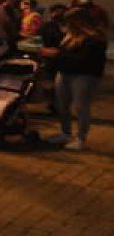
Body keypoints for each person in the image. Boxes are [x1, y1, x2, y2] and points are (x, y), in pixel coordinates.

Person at [41, 9, 107, 151]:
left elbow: (85, 61)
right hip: (65, 73)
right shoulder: (69, 36)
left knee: (81, 107)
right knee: (62, 105)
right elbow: (64, 54)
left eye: (69, 22)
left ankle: (80, 138)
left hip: (84, 75)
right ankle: (65, 133)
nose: (66, 25)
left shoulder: (95, 39)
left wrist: (57, 54)